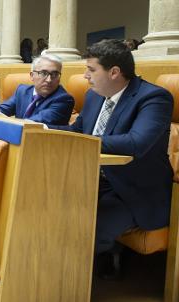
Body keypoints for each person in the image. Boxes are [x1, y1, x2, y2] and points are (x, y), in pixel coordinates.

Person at [50, 39, 173, 254]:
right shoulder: (93, 96)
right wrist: (42, 130)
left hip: (131, 191)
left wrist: (83, 142)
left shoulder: (154, 98)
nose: (85, 76)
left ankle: (69, 284)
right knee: (46, 212)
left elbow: (136, 142)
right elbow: (78, 131)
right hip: (91, 181)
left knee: (84, 231)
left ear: (114, 72)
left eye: (91, 69)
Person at [0, 54, 74, 125]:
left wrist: (2, 117)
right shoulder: (22, 91)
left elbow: (31, 124)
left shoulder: (64, 99)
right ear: (32, 76)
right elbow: (0, 110)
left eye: (55, 74)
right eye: (43, 73)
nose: (49, 80)